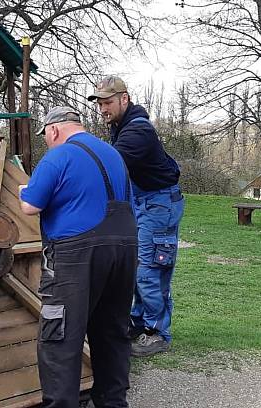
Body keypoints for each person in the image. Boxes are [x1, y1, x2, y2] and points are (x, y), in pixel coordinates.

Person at [19, 107, 137, 407]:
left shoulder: (59, 156)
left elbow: (30, 207)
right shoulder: (113, 155)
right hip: (124, 250)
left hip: (76, 253)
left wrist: (25, 191)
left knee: (60, 336)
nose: (46, 141)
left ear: (54, 130)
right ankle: (112, 402)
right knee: (112, 331)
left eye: (45, 135)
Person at [89, 75, 184, 357]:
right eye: (100, 104)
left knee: (151, 267)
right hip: (143, 202)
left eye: (108, 102)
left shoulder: (137, 132)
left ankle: (157, 332)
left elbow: (110, 163)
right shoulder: (121, 126)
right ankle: (140, 321)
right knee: (137, 266)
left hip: (159, 203)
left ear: (124, 99)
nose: (103, 108)